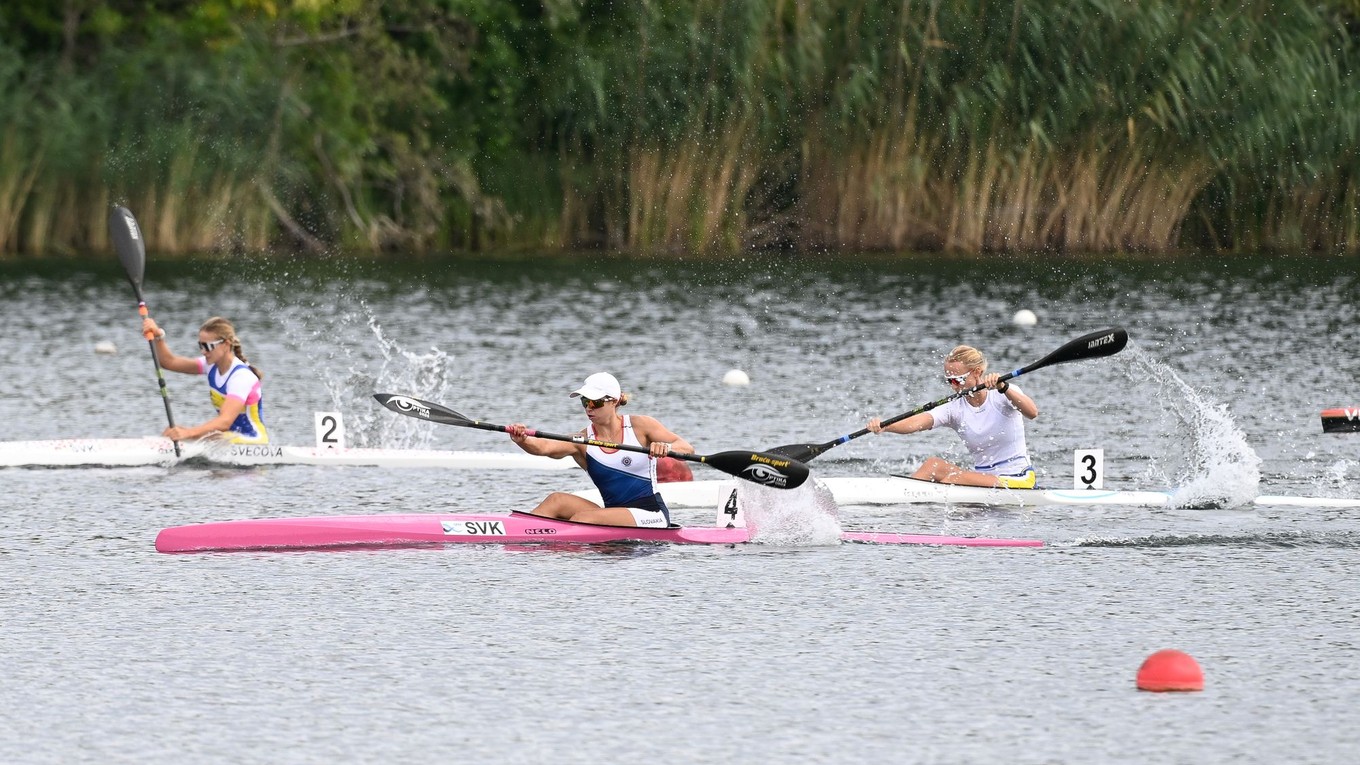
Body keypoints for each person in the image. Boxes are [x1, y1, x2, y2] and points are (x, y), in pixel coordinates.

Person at [506, 372, 692, 527]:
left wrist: (665, 447)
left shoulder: (640, 425)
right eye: (584, 402)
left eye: (595, 402)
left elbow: (687, 448)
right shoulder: (582, 440)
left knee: (583, 519)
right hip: (612, 513)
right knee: (557, 501)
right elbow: (544, 447)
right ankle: (517, 532)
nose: (589, 408)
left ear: (613, 401)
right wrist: (522, 439)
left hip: (650, 514)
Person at [868, 345, 1039, 488]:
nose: (953, 386)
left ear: (977, 372)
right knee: (932, 465)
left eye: (958, 380)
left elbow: (1032, 413)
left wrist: (1003, 387)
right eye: (949, 380)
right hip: (983, 476)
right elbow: (918, 422)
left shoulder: (1003, 394)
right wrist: (886, 426)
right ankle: (900, 504)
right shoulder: (954, 408)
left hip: (1018, 477)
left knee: (953, 479)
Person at [140, 315, 269, 445]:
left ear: (226, 344)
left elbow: (225, 421)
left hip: (253, 440)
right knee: (178, 432)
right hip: (227, 437)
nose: (203, 351)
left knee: (200, 436)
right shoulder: (211, 365)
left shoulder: (241, 377)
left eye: (208, 346)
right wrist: (158, 336)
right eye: (200, 345)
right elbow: (169, 362)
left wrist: (188, 433)